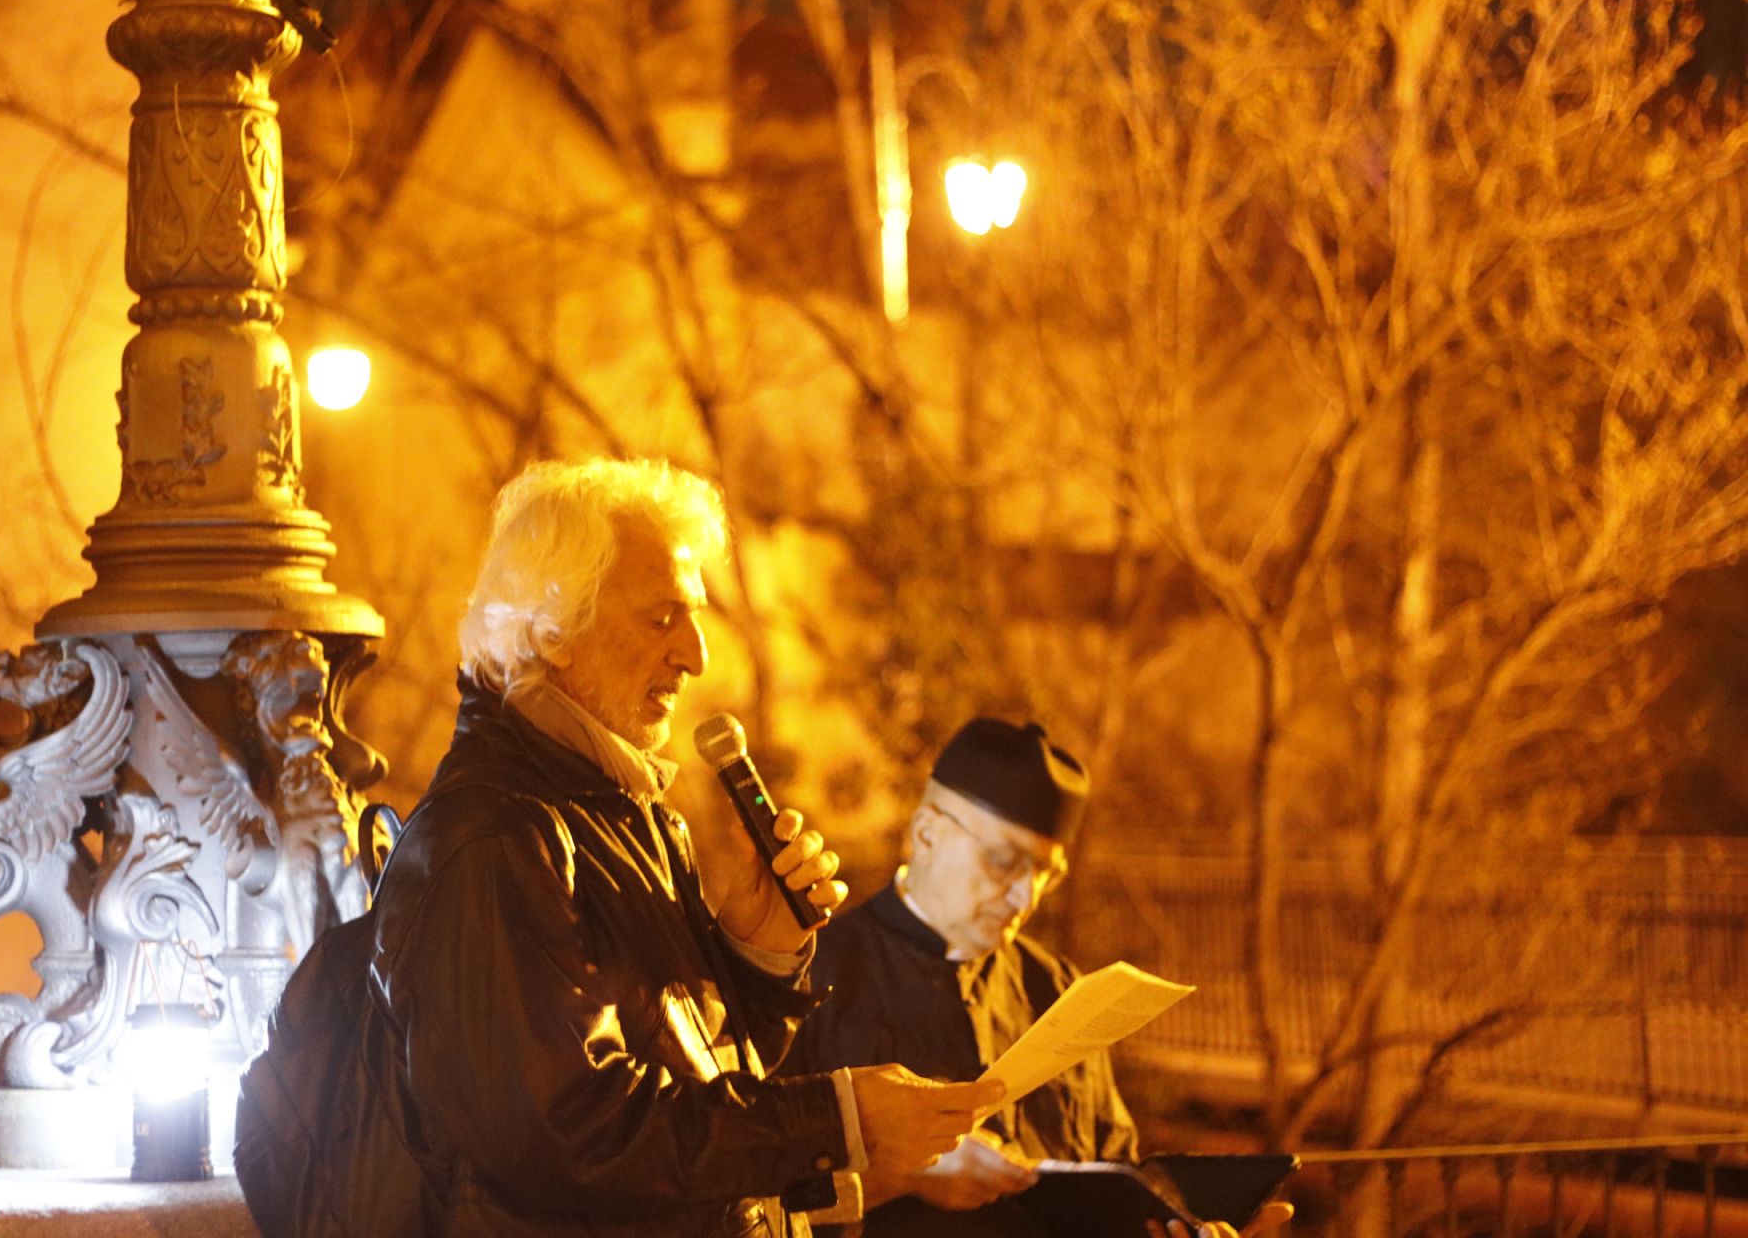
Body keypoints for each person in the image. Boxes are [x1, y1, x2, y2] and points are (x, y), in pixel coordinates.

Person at [366, 457, 999, 1237]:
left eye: (693, 617)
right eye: (662, 618)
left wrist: (756, 957)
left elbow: (696, 1091)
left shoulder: (625, 814)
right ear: (553, 632)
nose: (696, 655)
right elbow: (572, 1137)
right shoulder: (493, 840)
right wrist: (838, 1119)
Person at [788, 718, 1293, 1238]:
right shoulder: (806, 982)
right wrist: (898, 1177)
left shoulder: (1057, 988)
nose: (1024, 897)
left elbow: (1112, 1173)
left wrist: (1177, 1222)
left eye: (1046, 875)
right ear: (927, 834)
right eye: (1003, 861)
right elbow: (750, 1199)